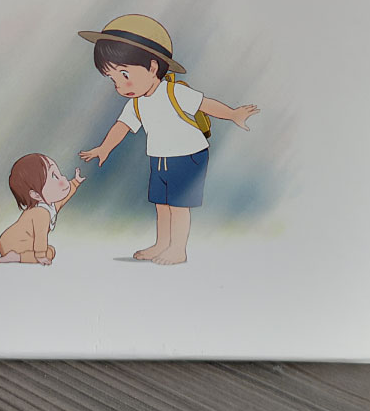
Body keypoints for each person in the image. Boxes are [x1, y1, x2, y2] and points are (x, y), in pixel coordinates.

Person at [78, 14, 259, 265]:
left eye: (124, 74)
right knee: (161, 204)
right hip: (160, 157)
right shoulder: (137, 103)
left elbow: (205, 105)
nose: (120, 85)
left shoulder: (174, 92)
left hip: (188, 156)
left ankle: (178, 249)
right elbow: (122, 126)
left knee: (178, 205)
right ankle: (162, 244)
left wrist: (233, 114)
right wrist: (104, 148)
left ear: (153, 67)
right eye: (113, 79)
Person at [0, 154, 84, 265]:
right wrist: (41, 256)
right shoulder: (41, 213)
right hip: (13, 244)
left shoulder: (49, 205)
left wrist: (75, 182)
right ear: (36, 195)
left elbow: (64, 197)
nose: (63, 179)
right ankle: (16, 256)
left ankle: (21, 255)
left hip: (19, 241)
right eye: (54, 177)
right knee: (49, 253)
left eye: (59, 174)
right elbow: (40, 236)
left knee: (50, 250)